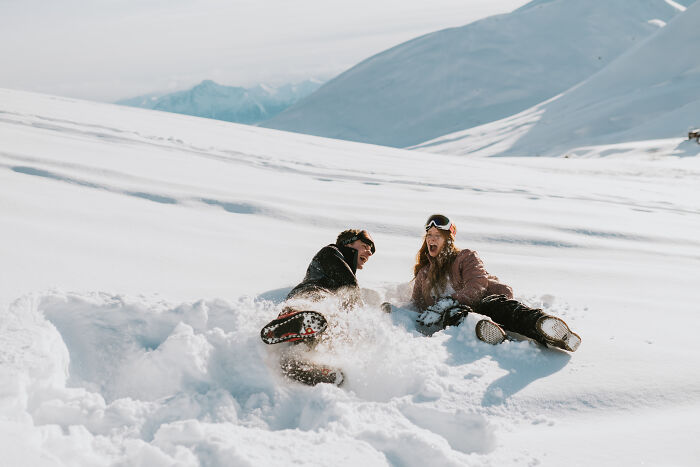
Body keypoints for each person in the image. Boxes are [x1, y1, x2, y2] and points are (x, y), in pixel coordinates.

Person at [411, 214, 580, 352]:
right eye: (429, 235)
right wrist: (393, 311)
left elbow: (477, 285)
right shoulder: (424, 274)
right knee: (453, 313)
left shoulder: (465, 257)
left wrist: (448, 301)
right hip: (457, 314)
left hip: (484, 301)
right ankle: (485, 329)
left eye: (437, 235)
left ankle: (545, 325)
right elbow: (415, 304)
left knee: (501, 308)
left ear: (448, 239)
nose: (432, 239)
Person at [260, 229, 376, 386]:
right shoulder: (330, 251)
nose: (369, 253)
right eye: (364, 246)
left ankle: (297, 363)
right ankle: (292, 320)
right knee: (318, 311)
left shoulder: (345, 269)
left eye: (371, 251)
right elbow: (349, 284)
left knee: (327, 327)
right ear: (348, 243)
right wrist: (363, 317)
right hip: (310, 297)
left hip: (321, 315)